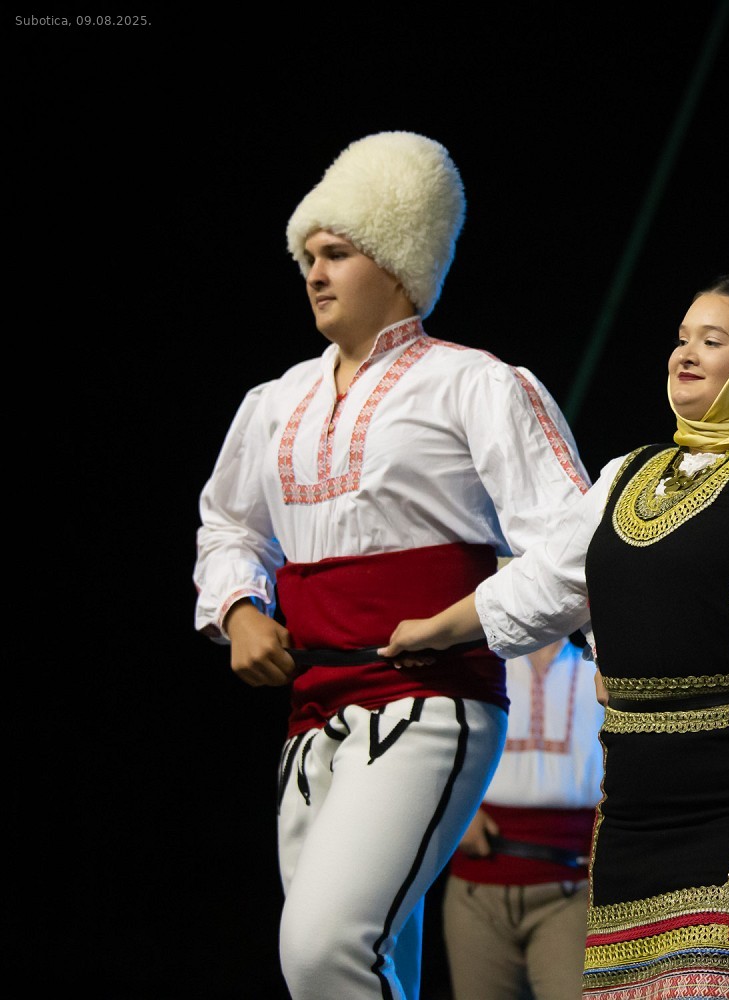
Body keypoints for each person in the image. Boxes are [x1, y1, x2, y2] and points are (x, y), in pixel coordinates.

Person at [382, 270, 729, 999]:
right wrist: (432, 630)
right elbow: (538, 587)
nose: (686, 352)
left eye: (713, 339)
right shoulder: (626, 476)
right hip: (641, 806)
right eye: (682, 338)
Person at [192, 132, 590, 1000]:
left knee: (324, 950)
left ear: (399, 263)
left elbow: (577, 545)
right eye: (307, 256)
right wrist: (240, 611)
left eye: (336, 252)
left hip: (431, 699)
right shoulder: (276, 402)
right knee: (363, 961)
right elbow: (228, 525)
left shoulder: (475, 384)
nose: (314, 272)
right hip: (313, 710)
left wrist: (464, 618)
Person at [442, 634, 604, 1000]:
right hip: (478, 881)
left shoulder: (603, 644)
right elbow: (435, 727)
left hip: (577, 885)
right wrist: (453, 803)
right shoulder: (476, 642)